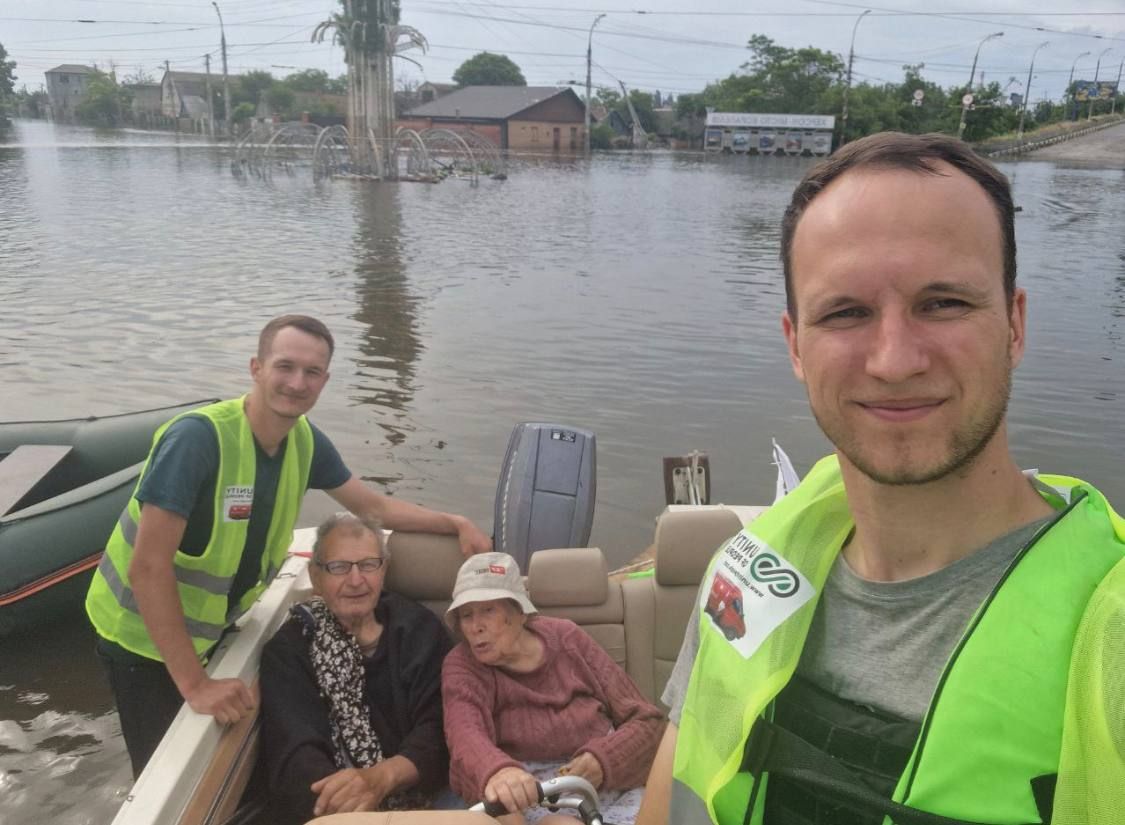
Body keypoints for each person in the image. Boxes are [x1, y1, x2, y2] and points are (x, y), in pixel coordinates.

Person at [637, 132, 1125, 825]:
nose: (894, 360)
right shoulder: (748, 574)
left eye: (944, 302)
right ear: (794, 345)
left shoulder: (1112, 639)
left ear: (1013, 326)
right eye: (845, 313)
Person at [85, 313, 491, 777]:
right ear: (256, 368)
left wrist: (453, 521)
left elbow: (372, 506)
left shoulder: (304, 441)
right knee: (161, 773)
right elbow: (148, 568)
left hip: (209, 628)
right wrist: (195, 685)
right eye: (285, 366)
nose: (297, 383)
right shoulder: (197, 439)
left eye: (312, 372)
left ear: (325, 380)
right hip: (139, 637)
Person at [442, 552, 666, 824]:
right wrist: (499, 774)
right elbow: (465, 736)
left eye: (488, 610)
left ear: (520, 613)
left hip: (612, 782)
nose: (475, 627)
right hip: (533, 793)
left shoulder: (567, 638)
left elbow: (647, 720)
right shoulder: (462, 665)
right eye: (466, 615)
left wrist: (604, 760)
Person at [258, 513, 453, 824]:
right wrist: (354, 805)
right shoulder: (289, 650)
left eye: (367, 565)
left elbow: (441, 727)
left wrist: (383, 777)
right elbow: (296, 752)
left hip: (428, 796)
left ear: (384, 570)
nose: (356, 580)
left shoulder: (420, 630)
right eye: (339, 567)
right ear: (315, 575)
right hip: (331, 809)